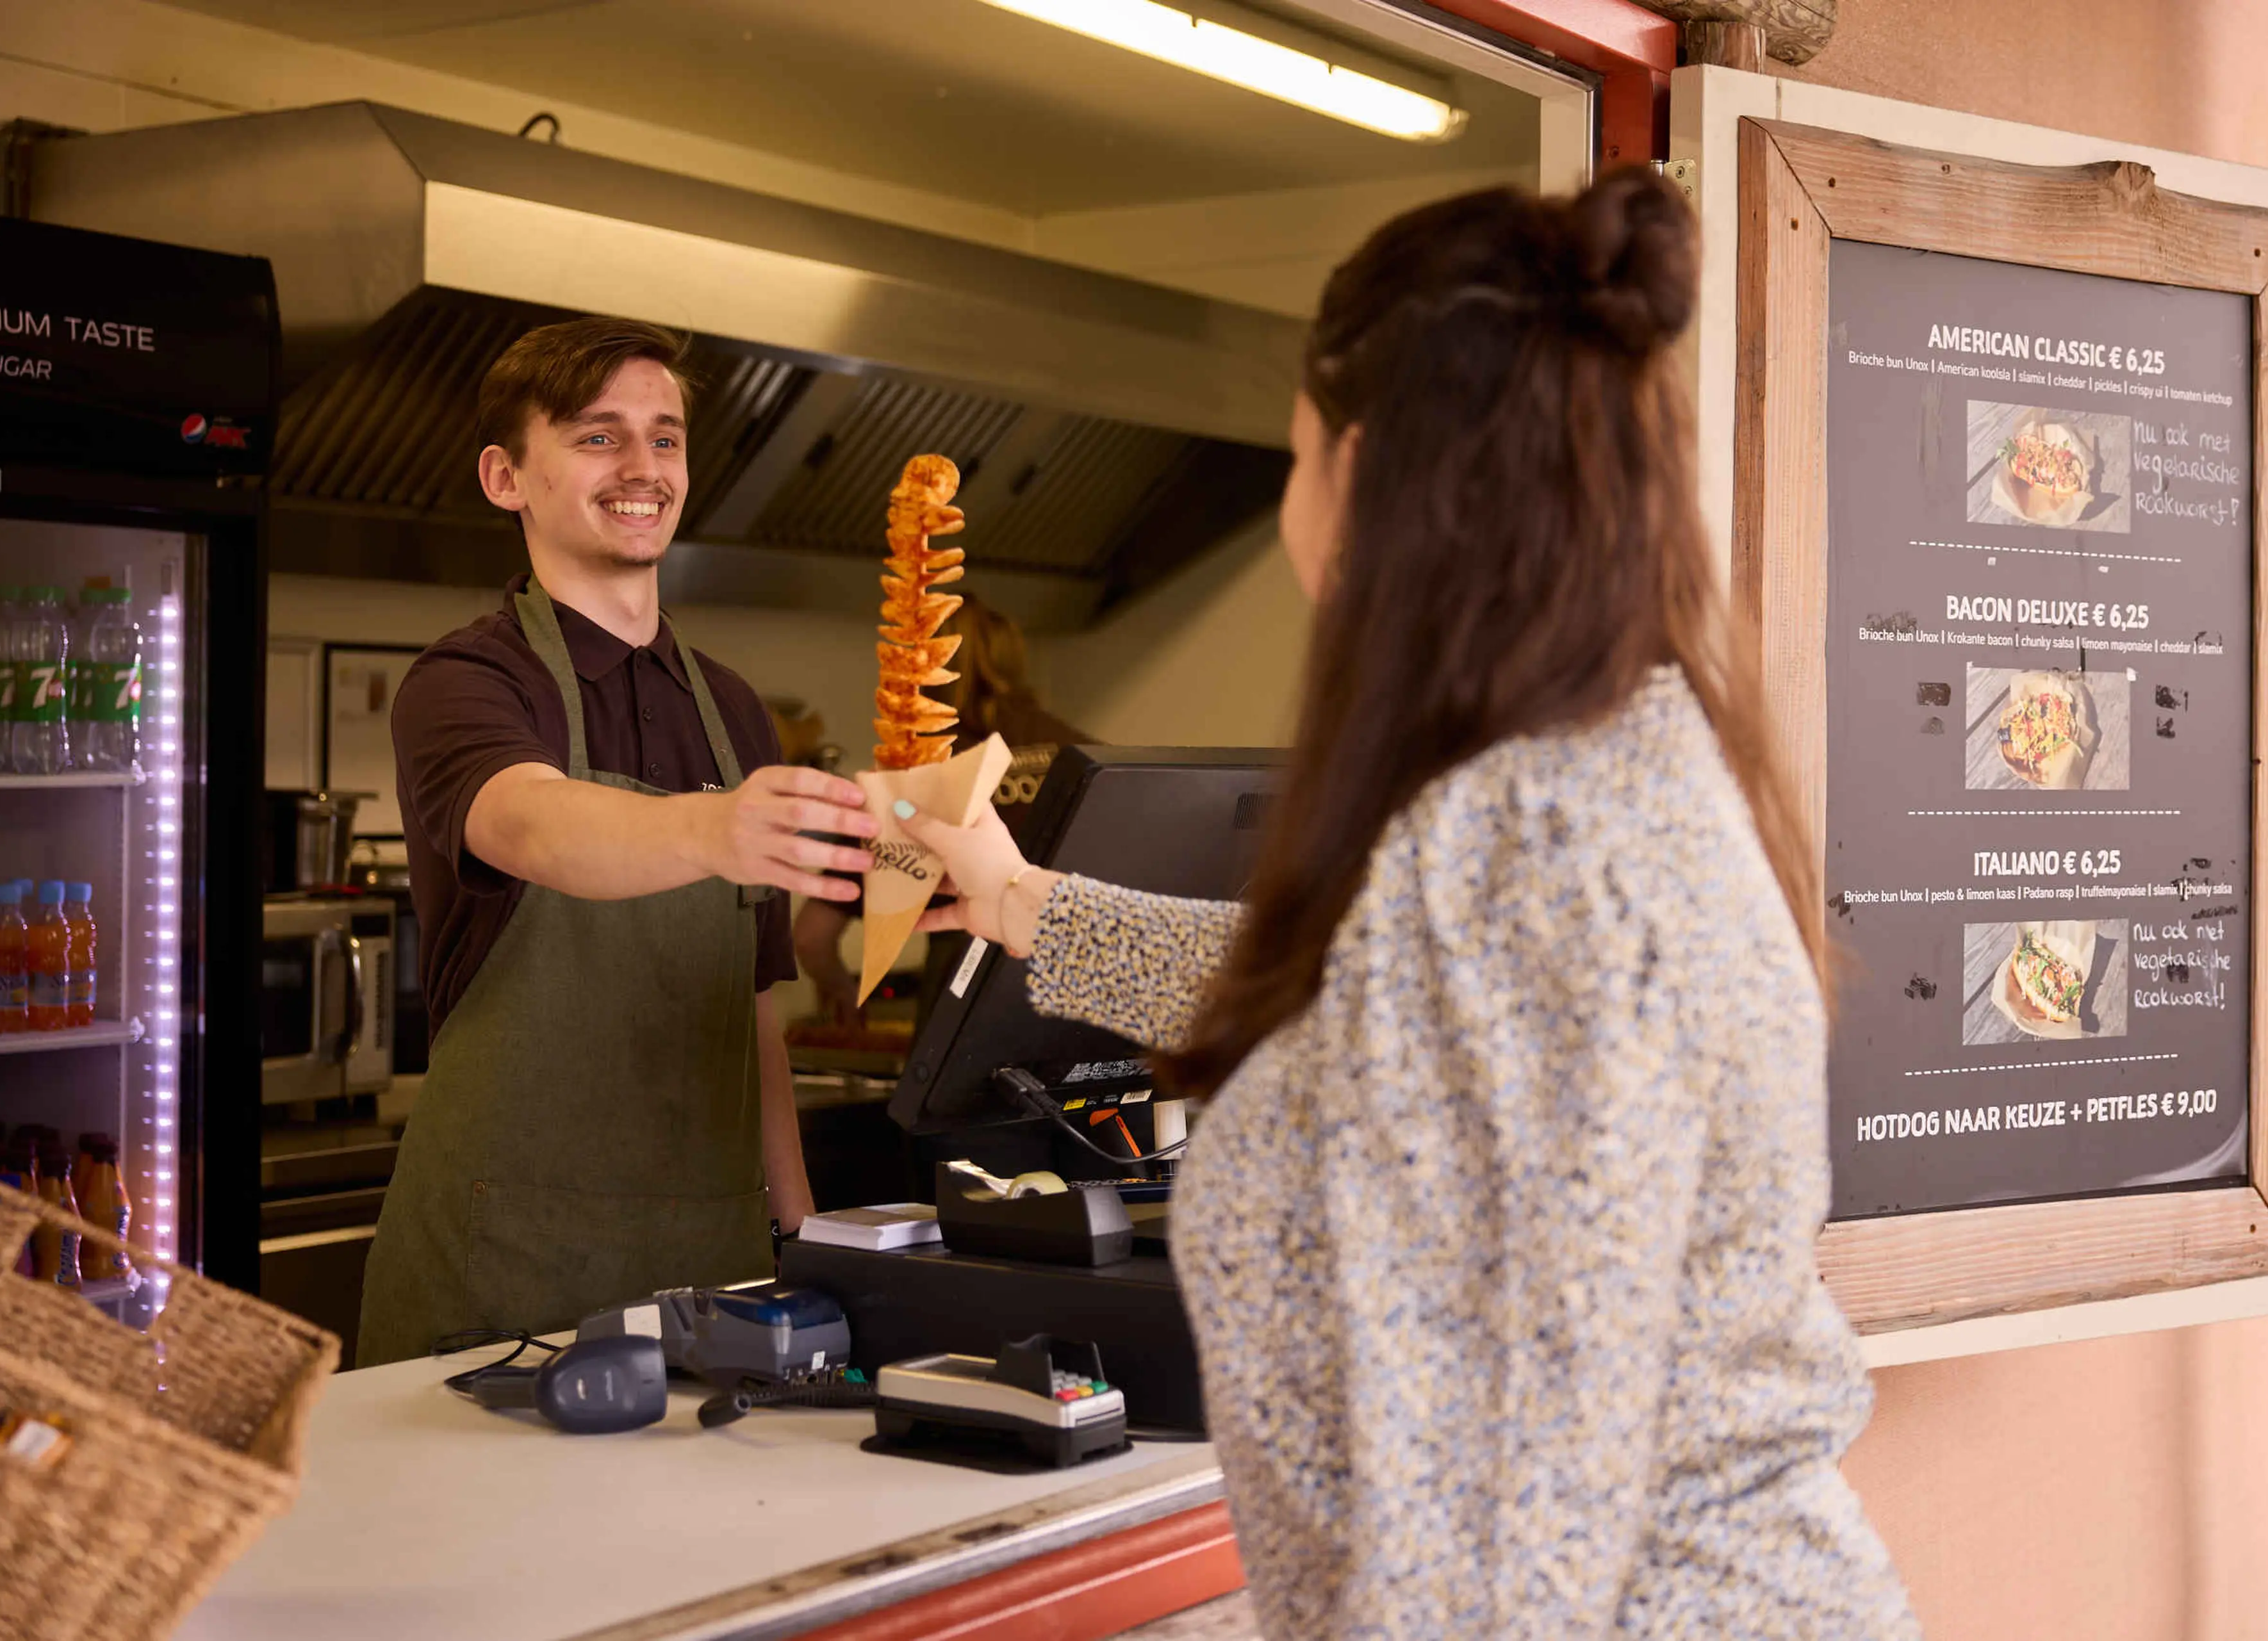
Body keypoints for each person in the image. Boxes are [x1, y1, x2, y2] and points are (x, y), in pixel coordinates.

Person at [896, 172, 1918, 1637]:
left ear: (1364, 476)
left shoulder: (1523, 851)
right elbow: (1378, 1026)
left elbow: (1497, 1549)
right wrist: (1023, 903)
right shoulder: (1595, 777)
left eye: (1294, 458)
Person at [356, 318, 876, 1368]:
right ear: (506, 477)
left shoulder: (732, 709)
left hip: (715, 1273)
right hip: (507, 1276)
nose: (644, 467)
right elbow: (533, 822)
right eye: (599, 437)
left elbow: (754, 1006)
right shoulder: (467, 682)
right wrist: (716, 826)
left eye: (665, 438)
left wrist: (801, 1232)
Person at [789, 596, 1089, 1028]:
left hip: (962, 1008)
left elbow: (811, 936)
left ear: (925, 662)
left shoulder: (918, 773)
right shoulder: (1084, 753)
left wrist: (840, 989)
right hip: (1079, 1000)